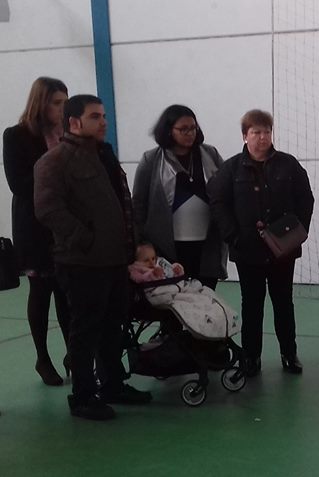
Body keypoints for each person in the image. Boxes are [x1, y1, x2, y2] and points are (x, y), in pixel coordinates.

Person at [34, 94, 152, 420]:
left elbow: (122, 203)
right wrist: (85, 239)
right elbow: (47, 209)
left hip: (114, 259)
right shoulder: (55, 161)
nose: (104, 122)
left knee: (113, 327)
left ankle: (112, 384)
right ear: (74, 122)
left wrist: (133, 243)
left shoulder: (103, 155)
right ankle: (83, 396)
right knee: (86, 331)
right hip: (82, 262)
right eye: (95, 117)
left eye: (104, 116)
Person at [208, 109, 314, 376]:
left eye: (267, 131)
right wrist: (233, 236)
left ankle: (289, 354)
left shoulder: (289, 165)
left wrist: (297, 232)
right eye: (256, 132)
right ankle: (251, 358)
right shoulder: (230, 169)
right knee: (251, 305)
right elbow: (218, 203)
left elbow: (306, 198)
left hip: (282, 251)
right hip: (247, 251)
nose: (262, 137)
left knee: (283, 303)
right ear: (245, 135)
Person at [2, 77, 72, 386]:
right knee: (41, 292)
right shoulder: (16, 136)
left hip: (66, 224)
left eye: (65, 102)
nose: (63, 108)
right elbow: (18, 184)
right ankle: (43, 358)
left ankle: (74, 354)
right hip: (34, 226)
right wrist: (56, 178)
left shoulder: (70, 134)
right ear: (40, 103)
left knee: (67, 293)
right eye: (57, 102)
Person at [132, 105, 226, 290]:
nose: (190, 133)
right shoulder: (151, 160)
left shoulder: (210, 154)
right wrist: (141, 242)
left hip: (207, 246)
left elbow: (225, 191)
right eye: (183, 129)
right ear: (169, 130)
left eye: (193, 128)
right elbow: (139, 204)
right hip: (166, 246)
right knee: (172, 297)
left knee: (205, 297)